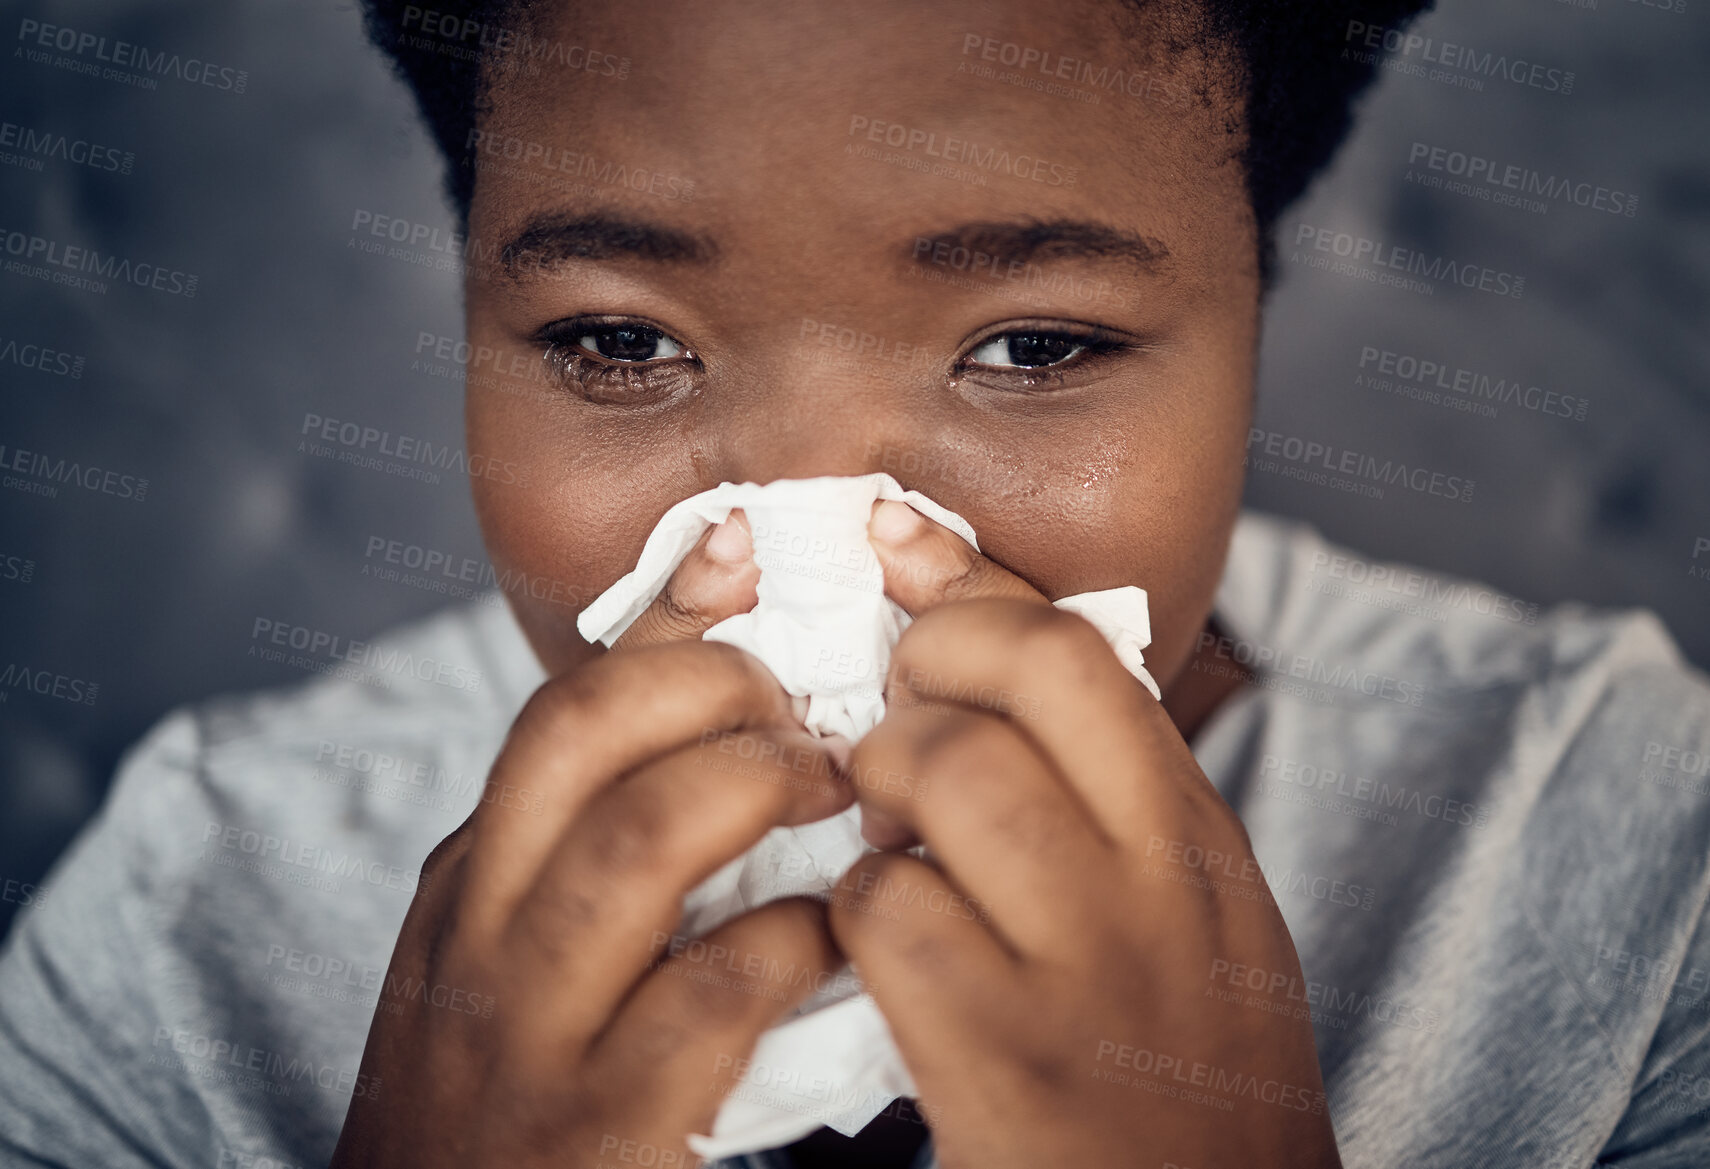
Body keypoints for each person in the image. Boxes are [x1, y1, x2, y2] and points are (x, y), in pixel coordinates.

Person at [4, 0, 1709, 1166]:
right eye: (618, 340)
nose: (809, 521)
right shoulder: (186, 909)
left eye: (1032, 344)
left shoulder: (1629, 850)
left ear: (1254, 334)